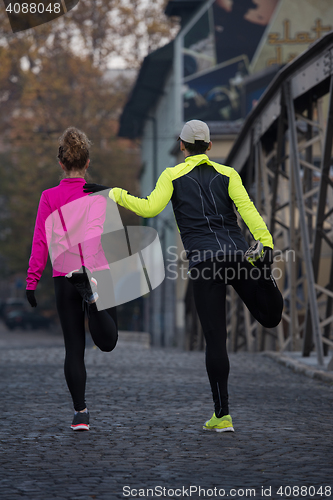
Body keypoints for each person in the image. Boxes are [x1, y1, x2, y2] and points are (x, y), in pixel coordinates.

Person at [84, 119, 283, 433]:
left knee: (217, 340)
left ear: (181, 145)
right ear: (209, 147)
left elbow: (149, 208)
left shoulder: (172, 175)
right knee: (270, 317)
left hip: (205, 263)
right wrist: (267, 243)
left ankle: (222, 416)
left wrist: (113, 194)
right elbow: (248, 210)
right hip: (236, 254)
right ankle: (267, 276)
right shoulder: (229, 174)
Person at [26, 127, 118, 431]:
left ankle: (80, 413)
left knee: (73, 348)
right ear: (87, 162)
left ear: (61, 163)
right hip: (96, 270)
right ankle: (92, 298)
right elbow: (101, 234)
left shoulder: (48, 197)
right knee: (108, 341)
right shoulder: (97, 195)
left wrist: (31, 280)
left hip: (64, 273)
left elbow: (41, 240)